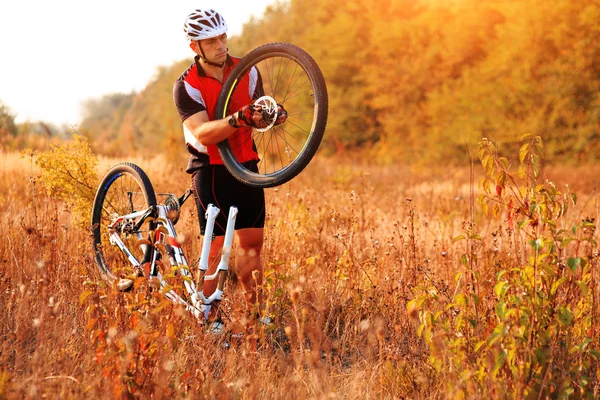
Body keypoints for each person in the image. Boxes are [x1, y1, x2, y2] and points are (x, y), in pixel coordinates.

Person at [172, 9, 286, 333]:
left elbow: (262, 109)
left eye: (223, 37)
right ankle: (210, 318)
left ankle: (256, 315)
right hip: (210, 171)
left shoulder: (247, 72)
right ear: (196, 47)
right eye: (211, 41)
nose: (221, 45)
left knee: (253, 244)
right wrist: (239, 118)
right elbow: (202, 133)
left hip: (246, 166)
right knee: (216, 247)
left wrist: (274, 114)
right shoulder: (186, 85)